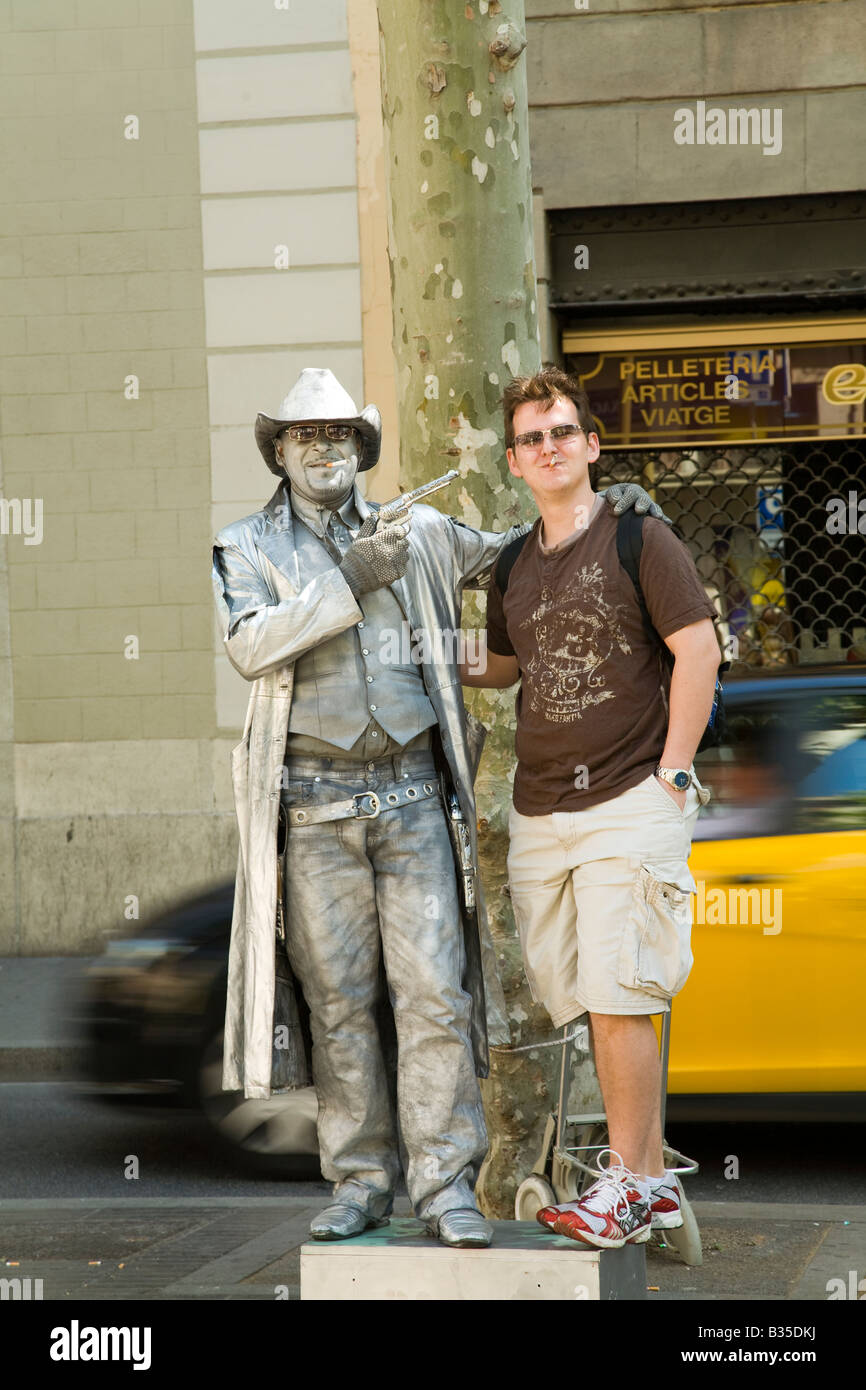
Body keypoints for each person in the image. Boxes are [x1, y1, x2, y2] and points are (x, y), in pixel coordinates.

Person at [212, 366, 663, 1248]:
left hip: (415, 800)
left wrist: (604, 520)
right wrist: (346, 581)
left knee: (433, 1000)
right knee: (339, 1005)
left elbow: (515, 553)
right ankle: (360, 1180)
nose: (325, 450)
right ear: (279, 451)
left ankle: (447, 1184)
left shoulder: (415, 528)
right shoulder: (244, 545)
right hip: (313, 811)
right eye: (307, 436)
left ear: (362, 448)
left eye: (340, 435)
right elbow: (250, 646)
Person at [460, 366, 720, 1249]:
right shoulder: (512, 566)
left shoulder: (640, 538)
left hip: (629, 800)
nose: (550, 447)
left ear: (591, 445)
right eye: (533, 439)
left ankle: (631, 1184)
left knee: (620, 994)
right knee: (580, 996)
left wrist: (675, 773)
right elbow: (501, 663)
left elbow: (699, 650)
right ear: (515, 462)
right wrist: (412, 639)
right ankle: (651, 1187)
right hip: (541, 812)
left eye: (563, 431)